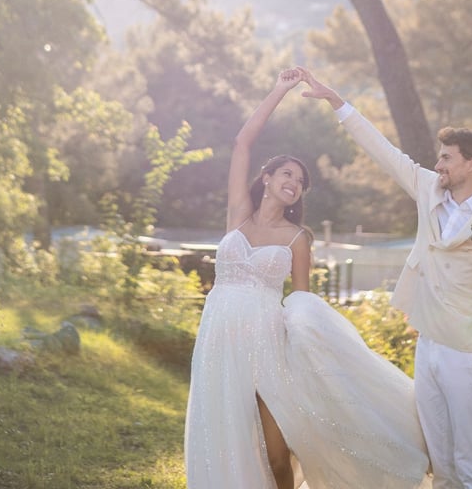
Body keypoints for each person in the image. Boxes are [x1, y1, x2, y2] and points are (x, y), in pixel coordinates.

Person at [184, 68, 431, 489]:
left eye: (300, 182)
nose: (294, 184)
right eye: (287, 175)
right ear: (266, 178)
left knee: (278, 454)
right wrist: (279, 90)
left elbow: (303, 304)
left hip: (267, 344)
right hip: (218, 338)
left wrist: (310, 354)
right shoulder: (238, 217)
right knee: (223, 432)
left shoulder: (298, 239)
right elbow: (242, 142)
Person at [299, 67, 472, 489]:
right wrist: (337, 102)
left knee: (471, 459)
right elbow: (384, 151)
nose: (437, 164)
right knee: (439, 462)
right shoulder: (428, 189)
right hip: (427, 345)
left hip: (466, 351)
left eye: (447, 157)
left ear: (471, 164)